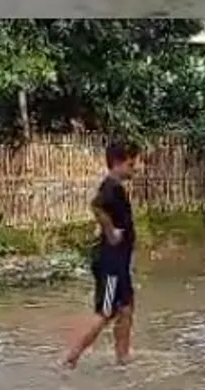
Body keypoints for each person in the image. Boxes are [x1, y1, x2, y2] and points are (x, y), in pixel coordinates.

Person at [64, 141, 139, 369]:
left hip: (120, 263)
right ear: (117, 163)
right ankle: (71, 358)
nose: (134, 168)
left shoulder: (116, 187)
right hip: (111, 263)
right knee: (106, 312)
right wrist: (110, 231)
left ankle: (122, 356)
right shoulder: (110, 187)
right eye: (131, 163)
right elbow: (96, 206)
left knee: (126, 308)